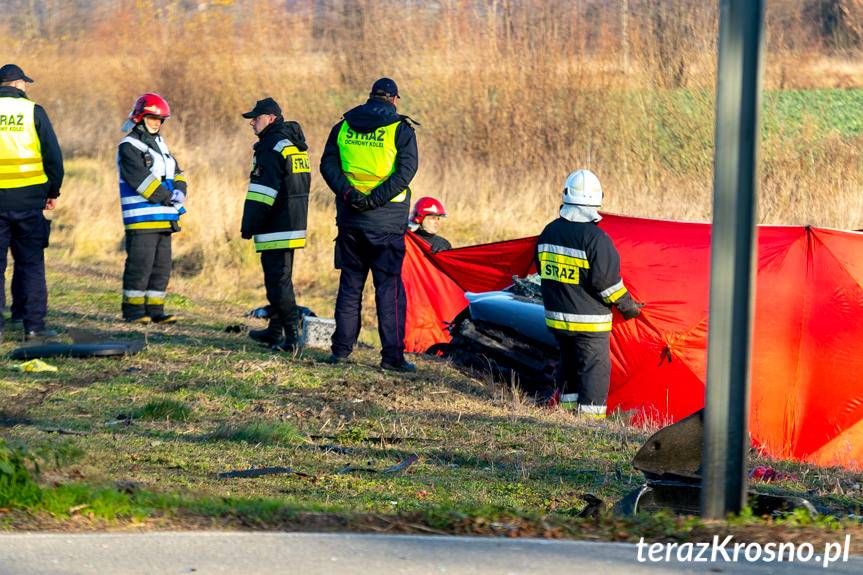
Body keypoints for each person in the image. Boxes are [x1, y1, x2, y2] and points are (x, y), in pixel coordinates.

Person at [320, 77, 418, 372]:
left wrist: (350, 194)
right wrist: (375, 199)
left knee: (350, 286)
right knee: (388, 290)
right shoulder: (401, 130)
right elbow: (406, 171)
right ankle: (392, 357)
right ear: (394, 99)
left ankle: (340, 351)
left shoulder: (344, 125)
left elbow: (328, 165)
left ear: (371, 96)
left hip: (351, 220)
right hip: (386, 223)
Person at [536, 169, 643, 416]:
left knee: (569, 364)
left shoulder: (549, 231)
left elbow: (543, 268)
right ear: (596, 200)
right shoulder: (596, 239)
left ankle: (567, 413)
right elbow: (607, 284)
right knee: (594, 369)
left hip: (556, 318)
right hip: (589, 323)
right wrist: (628, 307)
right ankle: (590, 422)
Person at [240, 97, 310, 352]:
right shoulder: (291, 144)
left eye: (255, 118)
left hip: (275, 224)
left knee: (279, 283)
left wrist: (249, 224)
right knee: (279, 280)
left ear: (270, 118)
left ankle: (291, 338)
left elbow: (263, 191)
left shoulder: (271, 146)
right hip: (292, 221)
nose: (251, 123)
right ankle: (274, 331)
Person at [0, 64, 64, 342]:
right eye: (25, 83)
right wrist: (53, 191)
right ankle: (34, 326)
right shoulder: (33, 111)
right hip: (28, 201)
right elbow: (53, 156)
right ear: (17, 84)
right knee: (31, 263)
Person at [117, 93, 187, 324]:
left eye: (160, 120)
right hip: (142, 218)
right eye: (152, 118)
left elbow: (177, 172)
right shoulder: (129, 146)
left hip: (165, 217)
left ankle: (155, 311)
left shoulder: (161, 145)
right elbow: (141, 180)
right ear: (140, 118)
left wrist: (181, 191)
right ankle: (134, 312)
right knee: (140, 266)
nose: (157, 123)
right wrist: (168, 196)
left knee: (161, 267)